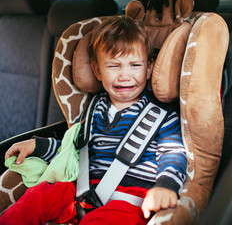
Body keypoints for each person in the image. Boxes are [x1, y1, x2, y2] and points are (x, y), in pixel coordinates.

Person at [0, 15, 187, 225]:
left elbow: (173, 153)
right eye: (114, 66)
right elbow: (73, 150)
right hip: (82, 191)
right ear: (97, 70)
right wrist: (38, 145)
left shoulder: (161, 113)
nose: (125, 75)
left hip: (130, 200)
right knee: (38, 196)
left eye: (135, 65)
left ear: (149, 68)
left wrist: (166, 185)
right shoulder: (93, 107)